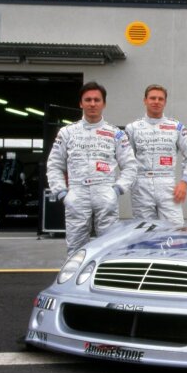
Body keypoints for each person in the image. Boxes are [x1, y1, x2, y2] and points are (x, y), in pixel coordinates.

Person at [46, 81, 138, 256]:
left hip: (105, 192)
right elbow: (54, 165)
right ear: (81, 103)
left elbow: (130, 166)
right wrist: (62, 194)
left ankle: (107, 281)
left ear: (104, 103)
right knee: (75, 248)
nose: (92, 104)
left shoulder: (116, 133)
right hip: (76, 193)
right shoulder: (67, 132)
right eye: (88, 100)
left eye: (97, 100)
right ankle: (74, 282)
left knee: (109, 247)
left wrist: (117, 190)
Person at [125, 84, 187, 225]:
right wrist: (131, 182)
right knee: (144, 233)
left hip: (167, 185)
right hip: (141, 185)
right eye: (152, 98)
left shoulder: (176, 127)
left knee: (175, 230)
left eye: (160, 99)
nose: (156, 101)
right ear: (145, 100)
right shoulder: (133, 128)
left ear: (165, 102)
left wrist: (184, 182)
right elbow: (127, 160)